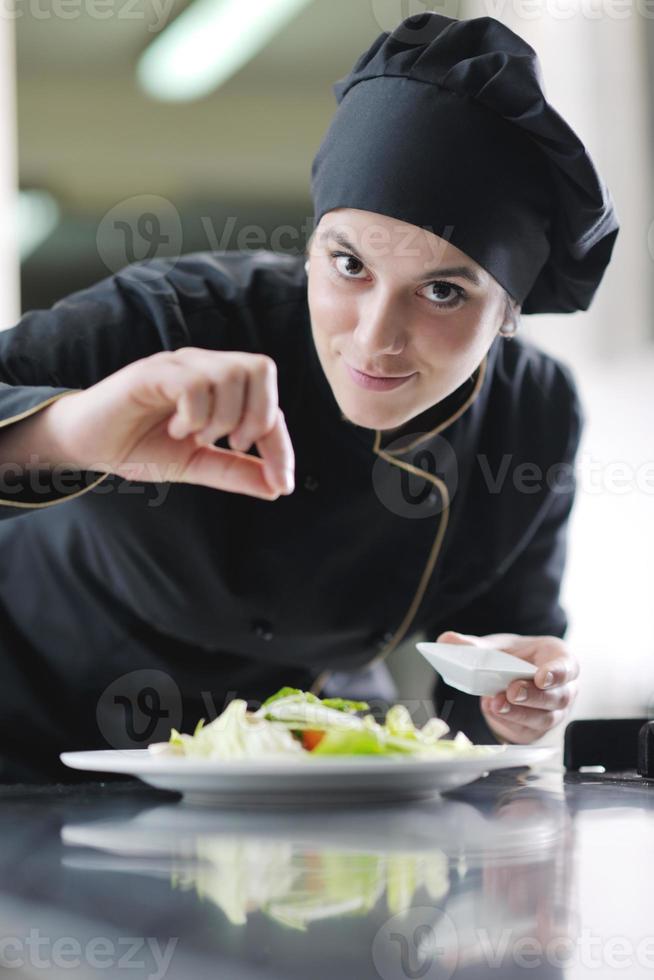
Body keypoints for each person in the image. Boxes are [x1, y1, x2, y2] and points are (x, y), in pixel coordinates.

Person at [0, 13, 618, 781]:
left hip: (292, 755)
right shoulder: (174, 319)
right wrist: (72, 434)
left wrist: (513, 698)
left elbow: (494, 663)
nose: (374, 337)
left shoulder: (532, 416)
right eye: (349, 265)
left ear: (509, 315)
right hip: (29, 714)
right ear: (311, 245)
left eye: (443, 291)